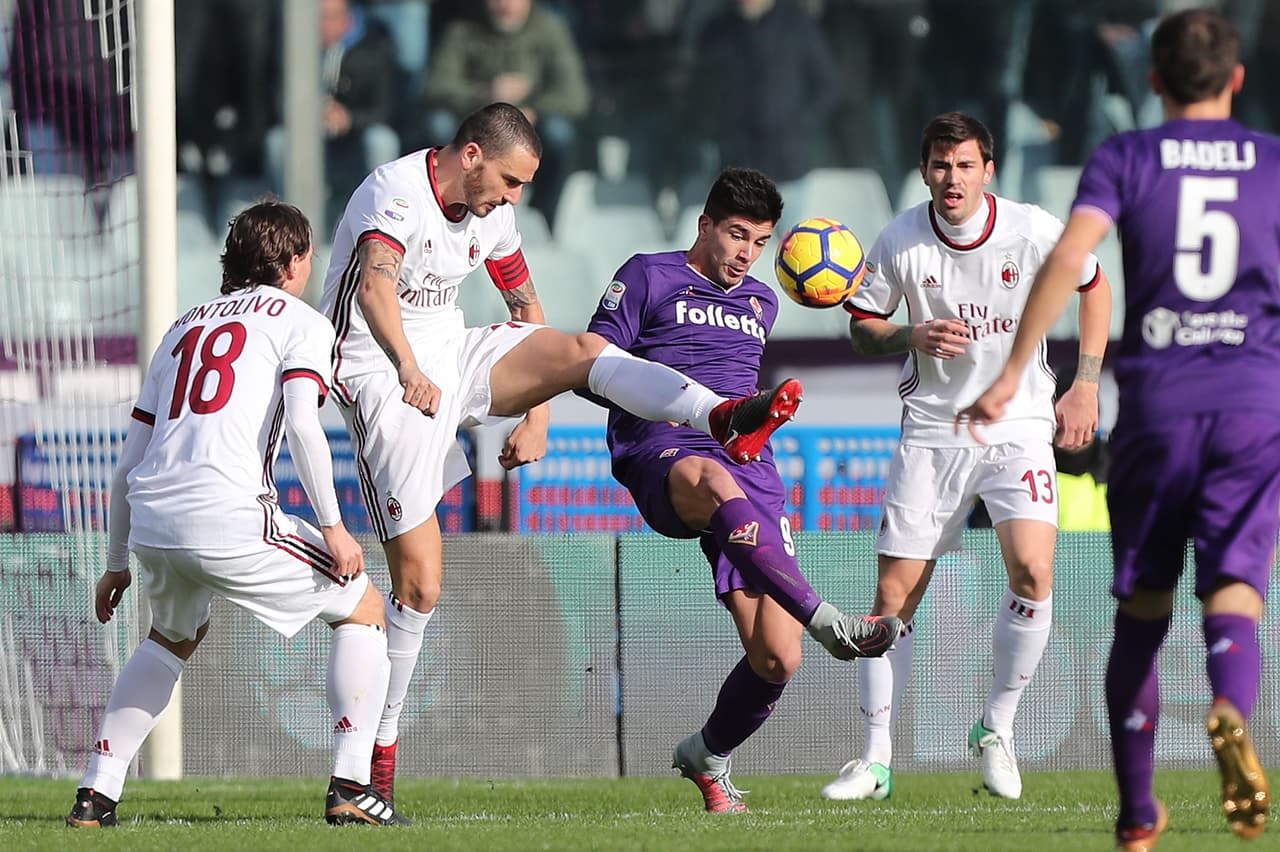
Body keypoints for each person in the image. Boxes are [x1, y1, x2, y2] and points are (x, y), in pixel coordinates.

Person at [319, 101, 827, 807]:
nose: (514, 199)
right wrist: (407, 367)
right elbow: (375, 286)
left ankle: (716, 415)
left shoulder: (493, 211)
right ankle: (374, 764)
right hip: (380, 367)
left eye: (522, 186)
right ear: (470, 157)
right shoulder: (394, 192)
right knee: (421, 586)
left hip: (451, 351)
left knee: (587, 352)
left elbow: (527, 309)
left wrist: (539, 408)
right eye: (509, 181)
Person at [960, 9, 1279, 848]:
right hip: (1253, 405)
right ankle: (1227, 707)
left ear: (1154, 80)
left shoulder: (1127, 156)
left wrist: (1013, 372)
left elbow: (1072, 260)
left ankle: (1138, 815)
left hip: (1159, 407)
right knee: (1235, 591)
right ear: (1237, 80)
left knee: (1141, 612)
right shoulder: (1274, 162)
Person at [65, 201, 405, 828]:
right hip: (228, 515)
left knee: (170, 638)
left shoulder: (179, 329)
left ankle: (95, 794)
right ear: (297, 261)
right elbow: (303, 422)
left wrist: (115, 563)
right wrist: (332, 526)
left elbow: (124, 466)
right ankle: (351, 785)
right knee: (364, 607)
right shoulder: (301, 322)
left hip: (153, 519)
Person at [581, 167, 903, 813]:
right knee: (711, 477)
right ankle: (831, 620)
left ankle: (707, 755)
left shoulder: (764, 300)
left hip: (748, 460)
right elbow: (590, 360)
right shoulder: (648, 273)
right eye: (735, 235)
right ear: (704, 225)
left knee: (777, 659)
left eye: (758, 242)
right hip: (665, 445)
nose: (745, 254)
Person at [821, 111, 1113, 803]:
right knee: (891, 603)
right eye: (940, 165)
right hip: (932, 431)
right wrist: (907, 335)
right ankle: (875, 760)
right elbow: (862, 329)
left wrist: (1087, 381)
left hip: (1019, 425)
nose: (952, 178)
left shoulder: (1031, 227)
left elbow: (1094, 283)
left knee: (1034, 571)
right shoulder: (899, 239)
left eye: (965, 164)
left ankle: (997, 730)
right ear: (924, 171)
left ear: (988, 169)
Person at [420, 0, 589, 226]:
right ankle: (450, 206)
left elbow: (575, 95)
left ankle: (543, 216)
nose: (505, 5)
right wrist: (484, 93)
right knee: (438, 124)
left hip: (532, 123)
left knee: (560, 133)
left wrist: (533, 110)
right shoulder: (463, 30)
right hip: (474, 120)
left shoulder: (550, 29)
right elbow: (436, 86)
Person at [264, 0, 403, 230]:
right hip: (310, 139)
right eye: (318, 18)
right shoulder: (293, 47)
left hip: (356, 140)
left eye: (329, 18)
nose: (321, 25)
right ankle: (289, 224)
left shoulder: (375, 48)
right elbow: (276, 101)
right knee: (277, 142)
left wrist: (349, 119)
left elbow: (386, 109)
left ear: (346, 18)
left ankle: (380, 227)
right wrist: (312, 114)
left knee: (382, 141)